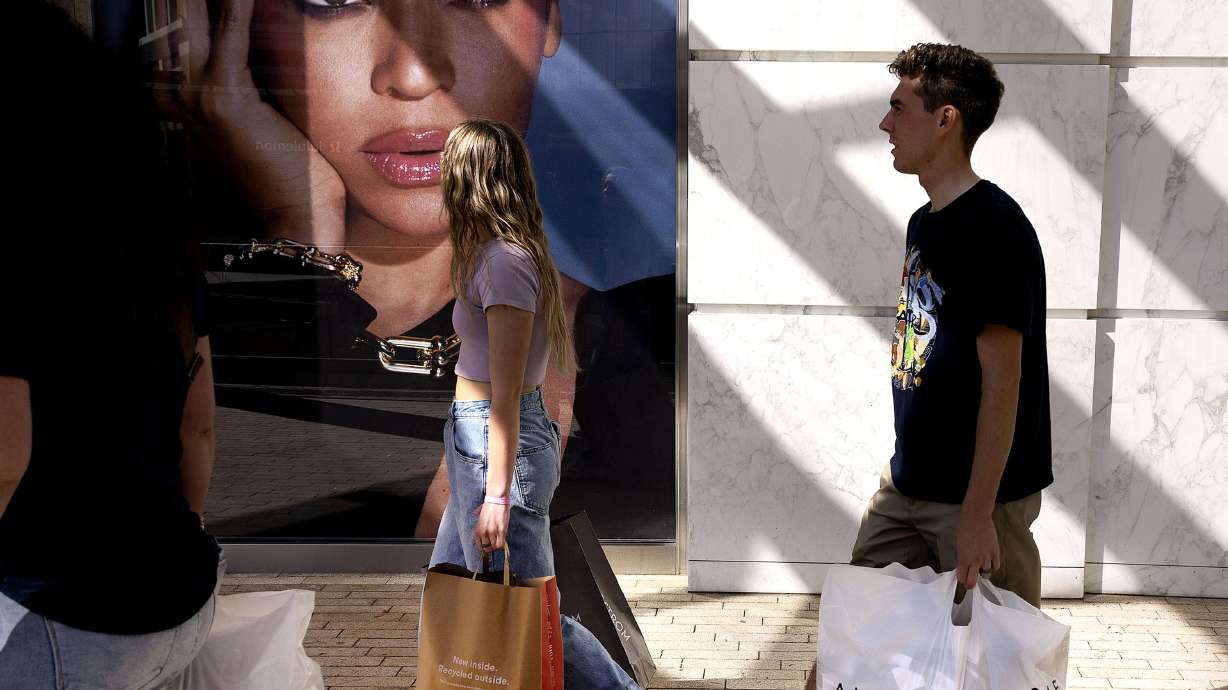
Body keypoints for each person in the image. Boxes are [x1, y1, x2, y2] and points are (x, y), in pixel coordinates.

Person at [155, 0, 675, 541]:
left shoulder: (625, 356)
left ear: (551, 18)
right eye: (334, 1)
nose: (414, 74)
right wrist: (299, 224)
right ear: (229, 34)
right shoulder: (168, 301)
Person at [807, 43, 1051, 689]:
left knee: (1002, 665)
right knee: (848, 647)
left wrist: (976, 515)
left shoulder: (996, 228)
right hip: (908, 485)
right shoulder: (926, 221)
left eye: (898, 107)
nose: (885, 124)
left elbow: (1005, 384)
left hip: (976, 499)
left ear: (945, 119)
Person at [0, 1, 223, 687]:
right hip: (183, 593)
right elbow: (200, 424)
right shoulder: (153, 238)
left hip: (65, 618)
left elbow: (5, 462)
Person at [426, 119, 639, 689]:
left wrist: (496, 494)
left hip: (497, 448)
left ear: (470, 178)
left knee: (532, 614)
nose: (441, 176)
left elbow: (508, 393)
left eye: (449, 166)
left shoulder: (503, 263)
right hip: (474, 440)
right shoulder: (494, 257)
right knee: (451, 584)